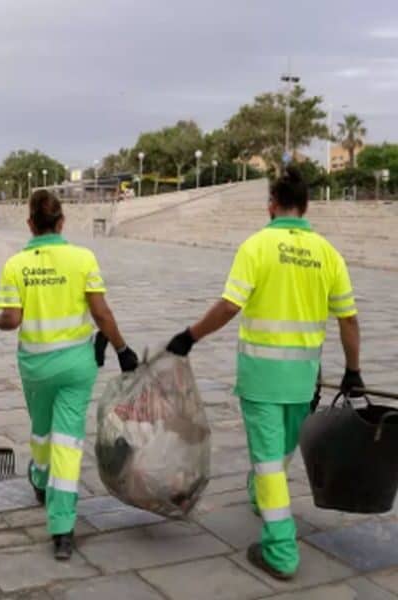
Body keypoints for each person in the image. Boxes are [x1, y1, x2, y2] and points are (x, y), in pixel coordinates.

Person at [165, 166, 363, 581]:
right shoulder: (328, 253)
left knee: (270, 462)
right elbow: (348, 320)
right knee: (278, 454)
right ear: (306, 206)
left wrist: (190, 336)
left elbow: (229, 306)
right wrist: (353, 371)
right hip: (304, 378)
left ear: (272, 205)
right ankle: (261, 494)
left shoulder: (257, 246)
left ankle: (280, 549)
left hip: (262, 377)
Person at [0, 190, 138, 561]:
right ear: (62, 222)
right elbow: (101, 314)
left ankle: (40, 477)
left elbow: (11, 320)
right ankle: (62, 529)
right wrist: (122, 349)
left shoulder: (16, 264)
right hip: (76, 367)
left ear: (31, 224)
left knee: (42, 431)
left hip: (36, 366)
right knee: (69, 441)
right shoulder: (83, 259)